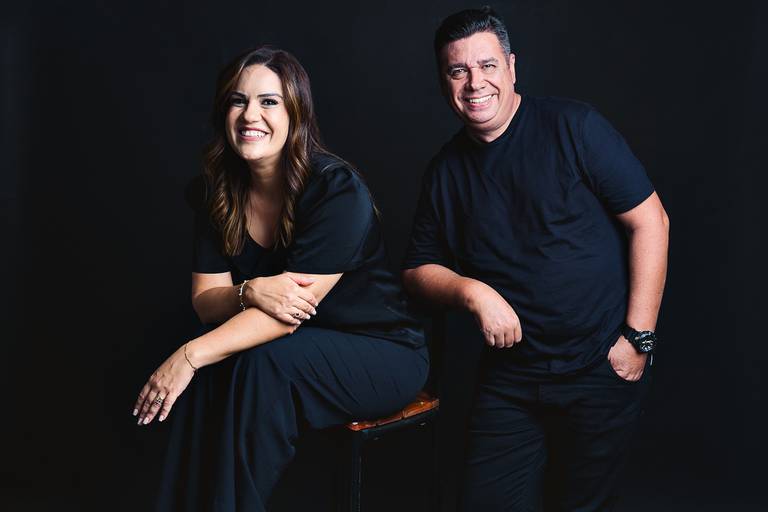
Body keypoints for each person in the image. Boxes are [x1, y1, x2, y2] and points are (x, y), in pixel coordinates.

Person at [133, 46, 428, 511]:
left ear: (296, 113)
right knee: (210, 371)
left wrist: (188, 356)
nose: (250, 115)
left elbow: (289, 314)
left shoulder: (336, 190)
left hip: (382, 351)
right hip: (294, 343)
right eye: (238, 101)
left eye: (268, 101)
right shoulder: (216, 190)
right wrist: (250, 290)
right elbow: (206, 301)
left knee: (252, 363)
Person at [402, 7, 669, 511]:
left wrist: (638, 339)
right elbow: (417, 270)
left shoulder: (574, 127)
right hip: (512, 379)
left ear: (511, 67)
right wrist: (472, 292)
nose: (474, 83)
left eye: (487, 65)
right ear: (443, 81)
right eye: (458, 71)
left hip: (600, 365)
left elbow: (651, 221)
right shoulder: (445, 172)